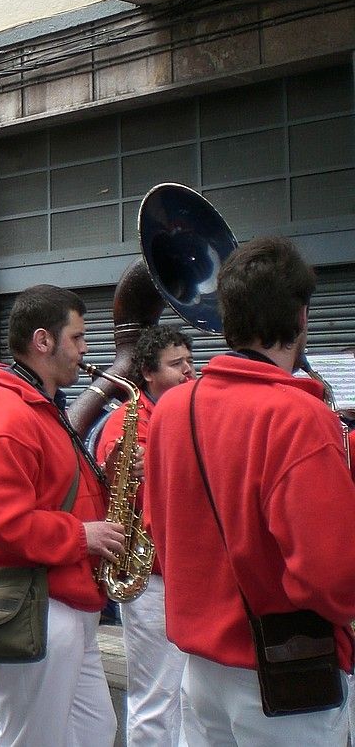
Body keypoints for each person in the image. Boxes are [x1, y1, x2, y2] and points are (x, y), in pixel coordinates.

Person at [146, 237, 355, 746]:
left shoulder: (172, 410)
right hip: (287, 673)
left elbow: (159, 531)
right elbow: (331, 575)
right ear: (302, 317)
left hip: (200, 669)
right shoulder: (300, 417)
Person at [0, 284, 121, 746]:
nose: (87, 350)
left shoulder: (38, 406)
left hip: (62, 601)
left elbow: (49, 493)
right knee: (33, 739)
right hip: (35, 604)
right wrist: (82, 536)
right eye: (78, 338)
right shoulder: (7, 417)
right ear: (43, 341)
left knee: (94, 732)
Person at [95, 324, 195, 747]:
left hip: (183, 572)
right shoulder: (127, 422)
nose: (190, 371)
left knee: (189, 696)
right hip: (150, 575)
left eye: (190, 361)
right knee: (156, 696)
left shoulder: (184, 414)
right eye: (177, 364)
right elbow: (125, 495)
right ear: (148, 375)